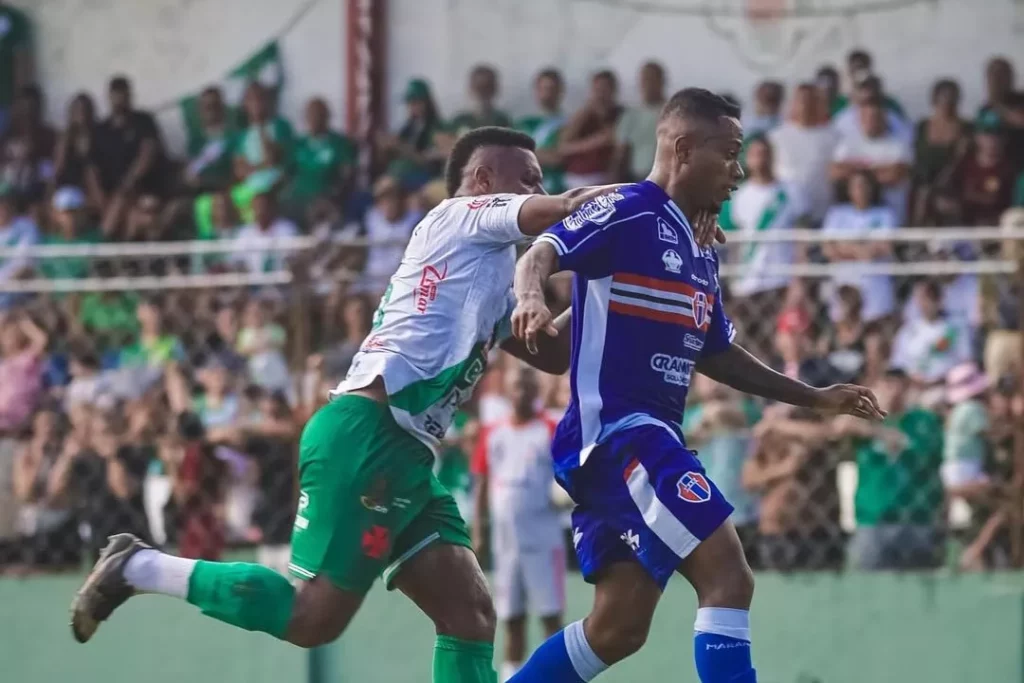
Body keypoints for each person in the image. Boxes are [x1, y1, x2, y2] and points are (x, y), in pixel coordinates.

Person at [69, 126, 617, 683]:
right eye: (528, 178)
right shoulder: (459, 216)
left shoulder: (493, 271)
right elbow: (569, 208)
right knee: (311, 618)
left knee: (468, 614)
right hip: (369, 435)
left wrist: (613, 290)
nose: (538, 187)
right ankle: (137, 565)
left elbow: (549, 353)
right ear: (484, 181)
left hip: (404, 452)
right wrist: (656, 201)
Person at [506, 88, 884, 683]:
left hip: (638, 442)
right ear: (682, 148)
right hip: (621, 436)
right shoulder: (628, 209)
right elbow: (542, 253)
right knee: (728, 576)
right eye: (729, 153)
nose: (737, 170)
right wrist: (529, 295)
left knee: (618, 629)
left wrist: (814, 397)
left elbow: (716, 353)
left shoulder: (702, 249)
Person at [471, 364, 564, 681]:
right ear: (508, 391)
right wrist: (478, 531)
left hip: (544, 539)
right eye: (517, 387)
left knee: (550, 617)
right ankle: (512, 677)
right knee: (511, 617)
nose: (522, 393)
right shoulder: (494, 432)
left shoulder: (551, 428)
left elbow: (572, 475)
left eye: (528, 387)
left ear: (537, 392)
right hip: (505, 542)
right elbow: (482, 481)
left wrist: (568, 492)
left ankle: (559, 675)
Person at [613, 61, 667, 182]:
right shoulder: (631, 114)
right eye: (644, 80)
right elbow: (621, 152)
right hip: (637, 178)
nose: (647, 85)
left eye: (652, 79)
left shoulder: (672, 112)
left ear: (662, 81)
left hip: (664, 179)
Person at [516, 69, 567, 195]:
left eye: (552, 89)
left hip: (557, 189)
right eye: (544, 89)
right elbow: (516, 157)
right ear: (536, 91)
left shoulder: (568, 123)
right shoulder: (524, 123)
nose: (548, 94)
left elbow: (559, 157)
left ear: (560, 91)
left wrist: (531, 154)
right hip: (527, 191)